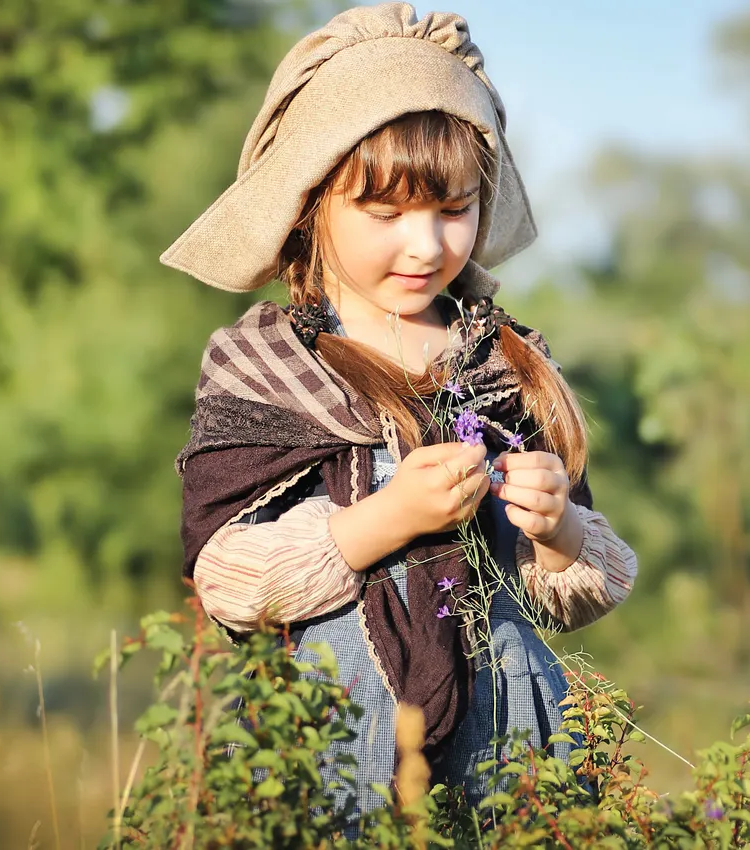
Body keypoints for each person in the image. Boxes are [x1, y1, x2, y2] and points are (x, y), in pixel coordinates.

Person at [162, 2, 637, 819]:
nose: (425, 245)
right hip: (336, 728)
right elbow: (226, 578)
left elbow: (575, 596)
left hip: (510, 734)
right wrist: (385, 519)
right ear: (312, 204)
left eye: (453, 210)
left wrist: (557, 528)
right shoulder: (267, 364)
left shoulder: (502, 358)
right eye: (386, 214)